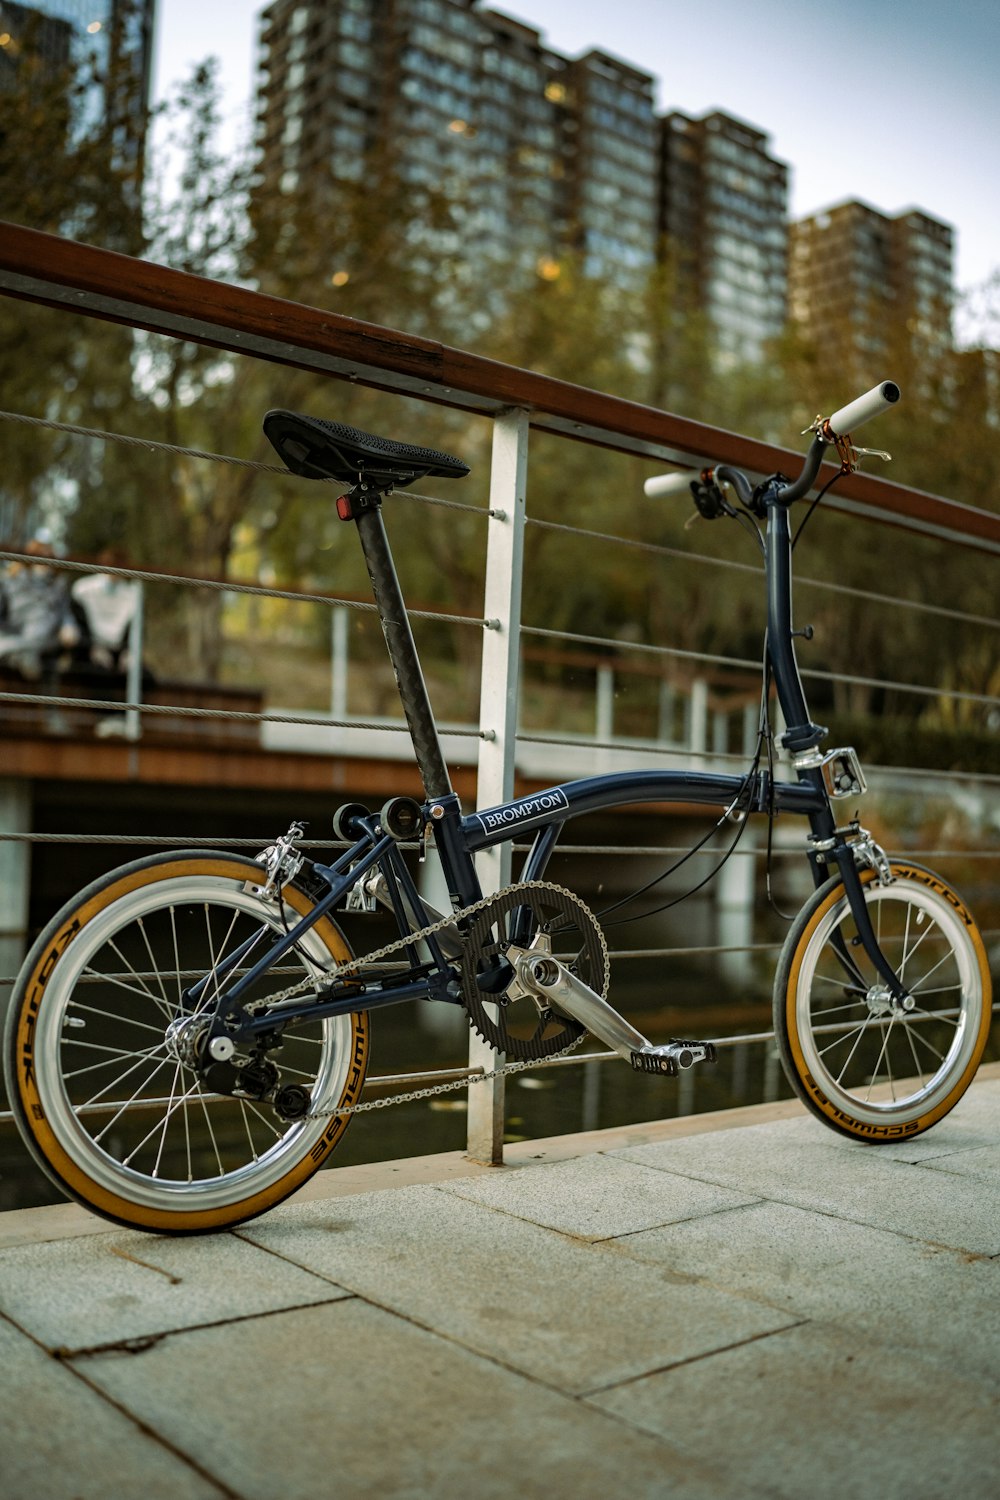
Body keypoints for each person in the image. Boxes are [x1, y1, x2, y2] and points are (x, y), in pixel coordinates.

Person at [0, 539, 79, 679]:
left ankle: (14, 652)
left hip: (46, 635)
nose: (45, 563)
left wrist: (69, 626)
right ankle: (25, 654)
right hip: (17, 630)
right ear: (28, 558)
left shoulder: (58, 584)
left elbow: (64, 611)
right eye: (40, 557)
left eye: (49, 558)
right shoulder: (10, 579)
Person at [70, 548, 140, 673]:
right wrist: (92, 648)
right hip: (88, 650)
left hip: (118, 652)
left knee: (144, 678)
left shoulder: (131, 593)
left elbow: (135, 629)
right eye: (111, 565)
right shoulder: (83, 588)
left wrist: (129, 652)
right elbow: (78, 623)